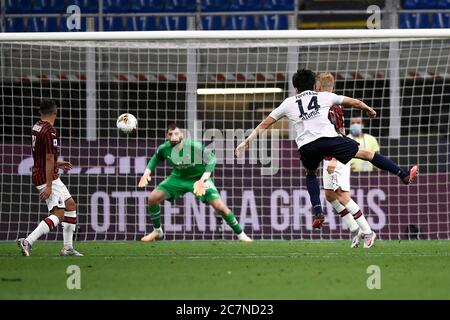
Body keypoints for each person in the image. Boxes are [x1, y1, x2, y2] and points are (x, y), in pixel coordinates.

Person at [236, 69, 418, 232]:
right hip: (330, 141)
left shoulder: (288, 102)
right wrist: (368, 110)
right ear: (314, 85)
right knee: (368, 154)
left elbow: (266, 123)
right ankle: (402, 175)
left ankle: (317, 211)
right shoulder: (324, 96)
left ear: (295, 87)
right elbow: (354, 102)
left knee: (310, 174)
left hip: (307, 147)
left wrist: (247, 141)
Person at [138, 123, 253, 242]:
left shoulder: (194, 146)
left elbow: (212, 159)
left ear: (182, 134)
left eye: (176, 133)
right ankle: (157, 231)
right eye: (170, 134)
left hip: (199, 178)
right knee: (152, 198)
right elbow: (155, 158)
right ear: (167, 136)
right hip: (178, 178)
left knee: (220, 207)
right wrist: (147, 172)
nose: (173, 136)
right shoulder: (164, 148)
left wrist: (203, 179)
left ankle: (241, 234)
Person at [316, 72, 375, 248]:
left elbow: (338, 136)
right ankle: (354, 229)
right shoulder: (325, 107)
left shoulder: (332, 109)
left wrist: (334, 158)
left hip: (337, 157)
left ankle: (368, 232)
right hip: (328, 157)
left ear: (318, 88)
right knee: (329, 195)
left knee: (342, 196)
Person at [17, 99, 82, 257]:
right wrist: (48, 186)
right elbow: (47, 159)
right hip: (47, 177)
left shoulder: (37, 126)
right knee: (59, 214)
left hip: (46, 172)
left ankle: (68, 248)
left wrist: (57, 163)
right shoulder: (50, 131)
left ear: (41, 112)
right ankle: (28, 241)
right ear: (56, 111)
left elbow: (43, 155)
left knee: (71, 205)